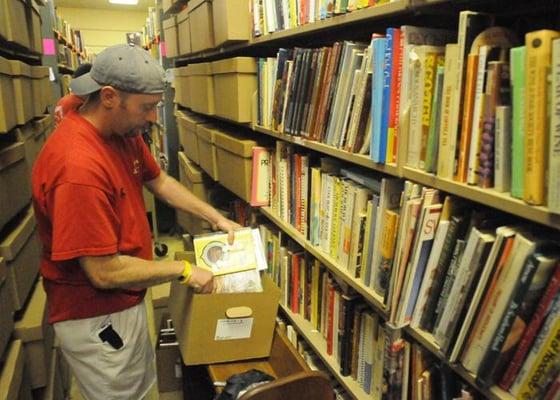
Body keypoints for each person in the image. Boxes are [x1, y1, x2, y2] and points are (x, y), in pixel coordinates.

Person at [31, 44, 240, 399]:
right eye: (147, 107)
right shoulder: (77, 168)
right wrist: (183, 271)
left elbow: (158, 180)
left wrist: (216, 218)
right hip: (96, 315)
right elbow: (103, 271)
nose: (154, 118)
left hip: (121, 301)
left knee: (141, 387)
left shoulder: (120, 130)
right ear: (109, 97)